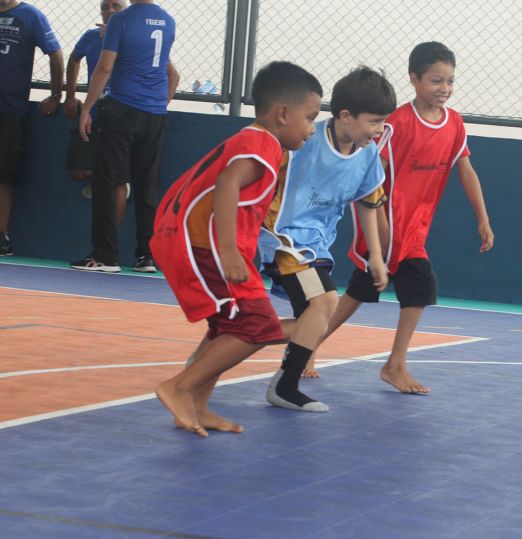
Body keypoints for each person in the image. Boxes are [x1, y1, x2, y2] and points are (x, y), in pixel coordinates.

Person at [151, 61, 323, 437]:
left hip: (204, 242)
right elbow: (229, 183)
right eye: (310, 118)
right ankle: (179, 388)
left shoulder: (257, 141)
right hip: (205, 244)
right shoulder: (263, 143)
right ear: (283, 113)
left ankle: (197, 404)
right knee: (257, 325)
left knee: (227, 325)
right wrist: (229, 249)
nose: (312, 128)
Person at [315, 42, 495, 393]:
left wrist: (482, 218)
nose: (444, 88)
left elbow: (466, 170)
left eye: (450, 81)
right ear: (414, 79)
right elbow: (371, 175)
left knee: (417, 287)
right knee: (361, 292)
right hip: (385, 224)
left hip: (415, 230)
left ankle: (394, 364)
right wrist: (379, 227)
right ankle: (310, 346)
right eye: (436, 80)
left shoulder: (455, 124)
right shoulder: (395, 125)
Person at [258, 66, 395, 408]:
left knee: (312, 320)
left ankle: (233, 335)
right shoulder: (305, 140)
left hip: (316, 247)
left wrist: (375, 256)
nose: (380, 130)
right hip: (283, 240)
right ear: (346, 116)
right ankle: (285, 386)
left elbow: (368, 203)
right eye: (374, 121)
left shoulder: (367, 155)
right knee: (324, 302)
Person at [71, 0, 179, 273]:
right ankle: (146, 256)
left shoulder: (122, 20)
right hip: (154, 115)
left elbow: (105, 67)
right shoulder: (168, 21)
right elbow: (167, 70)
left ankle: (105, 256)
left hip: (122, 109)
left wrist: (87, 108)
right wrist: (158, 105)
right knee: (147, 186)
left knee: (106, 182)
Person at [0, 0, 63, 256]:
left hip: (10, 109)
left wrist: (56, 94)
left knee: (4, 174)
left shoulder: (31, 15)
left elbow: (55, 53)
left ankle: (2, 235)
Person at [64, 0, 129, 226]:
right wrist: (70, 96)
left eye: (116, 6)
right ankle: (101, 179)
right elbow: (74, 58)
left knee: (117, 182)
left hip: (122, 112)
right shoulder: (91, 36)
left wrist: (116, 38)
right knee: (77, 170)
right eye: (104, 6)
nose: (109, 10)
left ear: (126, 10)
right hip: (93, 110)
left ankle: (109, 239)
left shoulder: (134, 37)